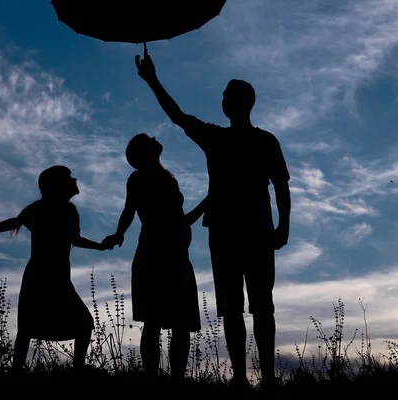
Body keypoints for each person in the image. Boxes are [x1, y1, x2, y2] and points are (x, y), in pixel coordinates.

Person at [134, 49, 292, 387]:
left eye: (225, 96)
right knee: (249, 306)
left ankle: (252, 376)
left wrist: (152, 80)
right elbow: (280, 187)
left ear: (239, 103)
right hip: (244, 230)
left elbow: (281, 186)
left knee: (246, 307)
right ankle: (252, 376)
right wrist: (283, 226)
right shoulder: (254, 140)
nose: (221, 100)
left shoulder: (227, 138)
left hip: (235, 231)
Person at [0, 165, 113, 373]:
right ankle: (19, 371)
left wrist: (100, 246)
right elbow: (16, 222)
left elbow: (74, 240)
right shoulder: (41, 209)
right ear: (56, 185)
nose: (74, 179)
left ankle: (75, 370)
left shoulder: (68, 211)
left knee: (80, 323)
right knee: (30, 327)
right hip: (40, 275)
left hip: (57, 276)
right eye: (69, 178)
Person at [103, 133, 206, 382]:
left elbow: (136, 212)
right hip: (162, 255)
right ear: (145, 152)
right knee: (161, 322)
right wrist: (207, 202)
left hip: (172, 254)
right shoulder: (143, 179)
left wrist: (119, 233)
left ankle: (164, 380)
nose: (155, 138)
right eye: (149, 139)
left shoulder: (161, 178)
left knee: (165, 322)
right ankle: (162, 381)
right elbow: (135, 212)